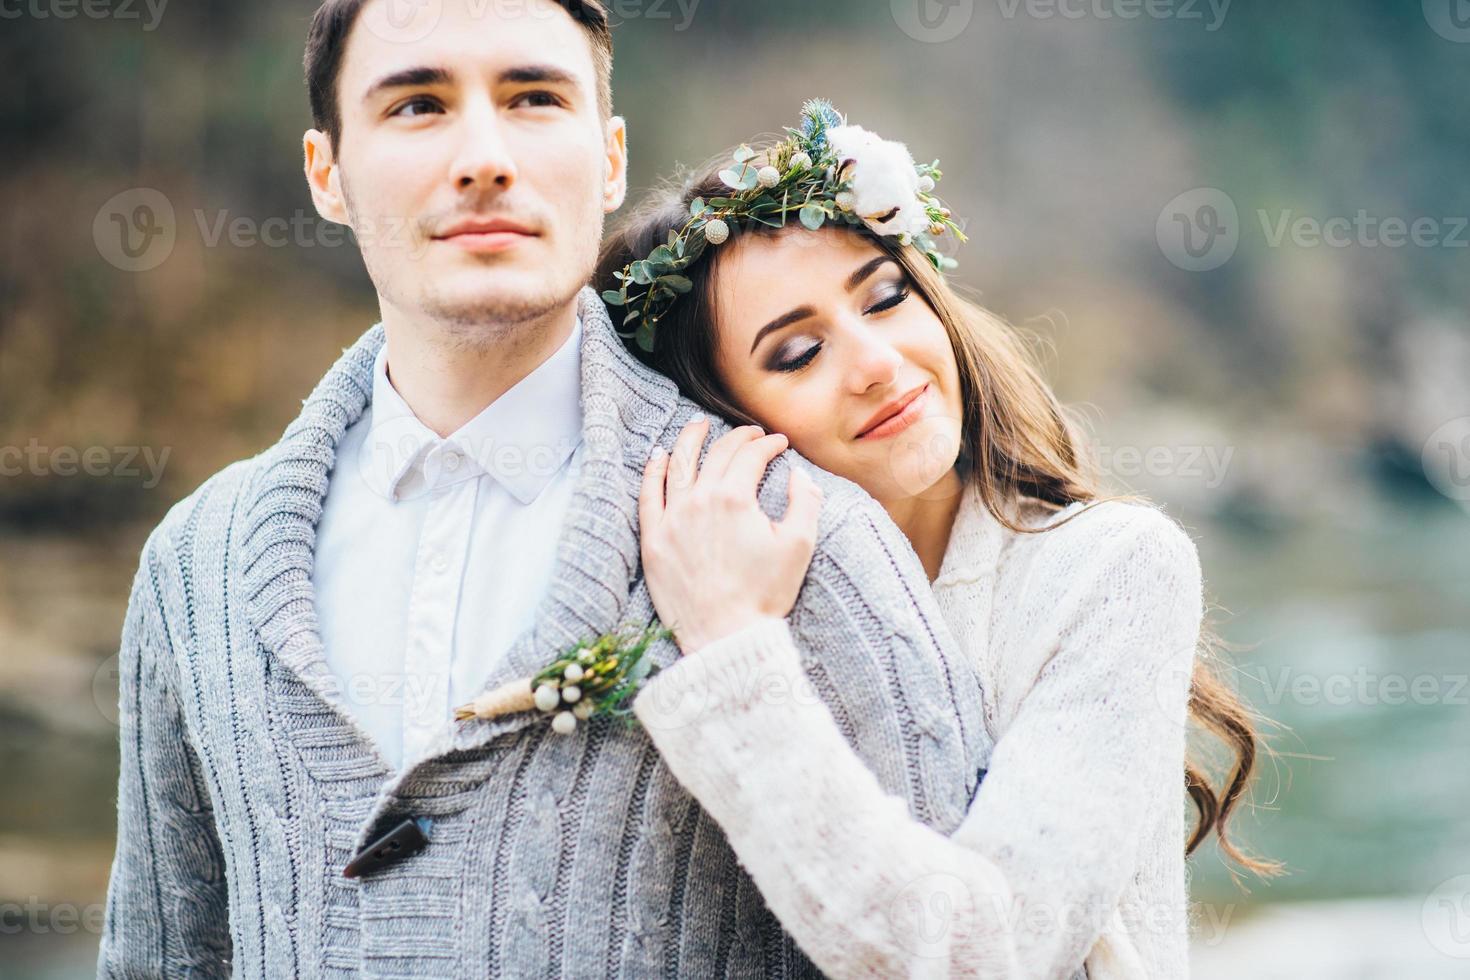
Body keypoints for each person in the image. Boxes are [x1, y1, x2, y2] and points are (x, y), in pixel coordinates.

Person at [95, 5, 993, 978]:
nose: (484, 156)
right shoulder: (198, 569)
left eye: (533, 97)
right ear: (327, 174)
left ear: (609, 158)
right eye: (418, 105)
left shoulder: (804, 534)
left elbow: (970, 955)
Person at [598, 100, 1280, 978]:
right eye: (798, 354)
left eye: (885, 297)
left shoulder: (1109, 569)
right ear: (720, 421)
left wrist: (732, 654)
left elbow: (986, 956)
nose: (877, 361)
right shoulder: (707, 600)